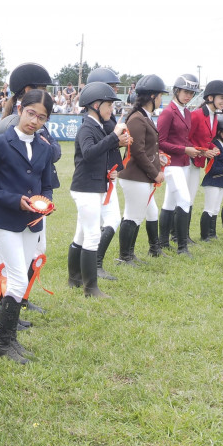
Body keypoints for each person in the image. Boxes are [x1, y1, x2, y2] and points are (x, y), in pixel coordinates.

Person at [0, 89, 55, 363]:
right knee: (18, 278)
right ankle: (1, 343)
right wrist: (15, 201)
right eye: (31, 113)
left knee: (21, 274)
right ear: (20, 109)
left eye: (42, 117)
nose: (35, 121)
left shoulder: (45, 148)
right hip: (5, 219)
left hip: (32, 222)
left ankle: (9, 339)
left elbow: (46, 185)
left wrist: (46, 202)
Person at [0, 62, 61, 313]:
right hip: (17, 199)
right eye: (42, 88)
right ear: (27, 90)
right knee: (12, 260)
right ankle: (9, 304)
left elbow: (54, 151)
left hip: (36, 196)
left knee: (35, 250)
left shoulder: (35, 121)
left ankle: (20, 300)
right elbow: (52, 151)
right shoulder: (14, 125)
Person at [67, 82, 130, 297]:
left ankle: (74, 279)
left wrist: (109, 170)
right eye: (108, 106)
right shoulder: (87, 127)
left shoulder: (96, 126)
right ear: (95, 104)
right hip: (86, 188)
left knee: (81, 234)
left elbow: (98, 156)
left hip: (93, 185)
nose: (111, 110)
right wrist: (113, 138)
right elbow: (88, 153)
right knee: (92, 235)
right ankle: (90, 288)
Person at [118, 75, 168, 261]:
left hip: (141, 176)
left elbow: (147, 148)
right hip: (134, 176)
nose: (162, 99)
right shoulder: (137, 119)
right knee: (133, 215)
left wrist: (158, 159)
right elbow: (137, 151)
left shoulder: (144, 117)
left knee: (151, 212)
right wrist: (155, 173)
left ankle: (151, 250)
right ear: (152, 97)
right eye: (160, 96)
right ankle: (125, 256)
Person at [84, 67, 129, 268]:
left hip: (108, 170)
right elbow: (96, 147)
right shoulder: (96, 122)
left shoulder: (107, 117)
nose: (113, 93)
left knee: (105, 221)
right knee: (107, 221)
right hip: (100, 175)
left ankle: (93, 264)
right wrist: (117, 138)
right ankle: (95, 264)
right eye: (109, 89)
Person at [157, 73, 202, 253]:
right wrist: (185, 150)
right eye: (185, 92)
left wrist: (200, 149)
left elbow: (184, 139)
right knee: (184, 200)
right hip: (171, 163)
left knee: (169, 202)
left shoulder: (187, 112)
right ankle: (182, 246)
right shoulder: (168, 112)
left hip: (183, 163)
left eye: (191, 93)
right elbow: (160, 142)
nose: (188, 96)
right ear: (176, 91)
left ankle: (163, 242)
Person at [188, 79, 223, 244]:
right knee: (187, 199)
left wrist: (212, 147)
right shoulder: (197, 115)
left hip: (198, 161)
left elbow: (209, 139)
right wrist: (204, 151)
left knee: (190, 199)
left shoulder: (214, 116)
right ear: (210, 97)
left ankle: (185, 234)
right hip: (188, 160)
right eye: (221, 98)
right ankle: (180, 235)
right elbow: (186, 139)